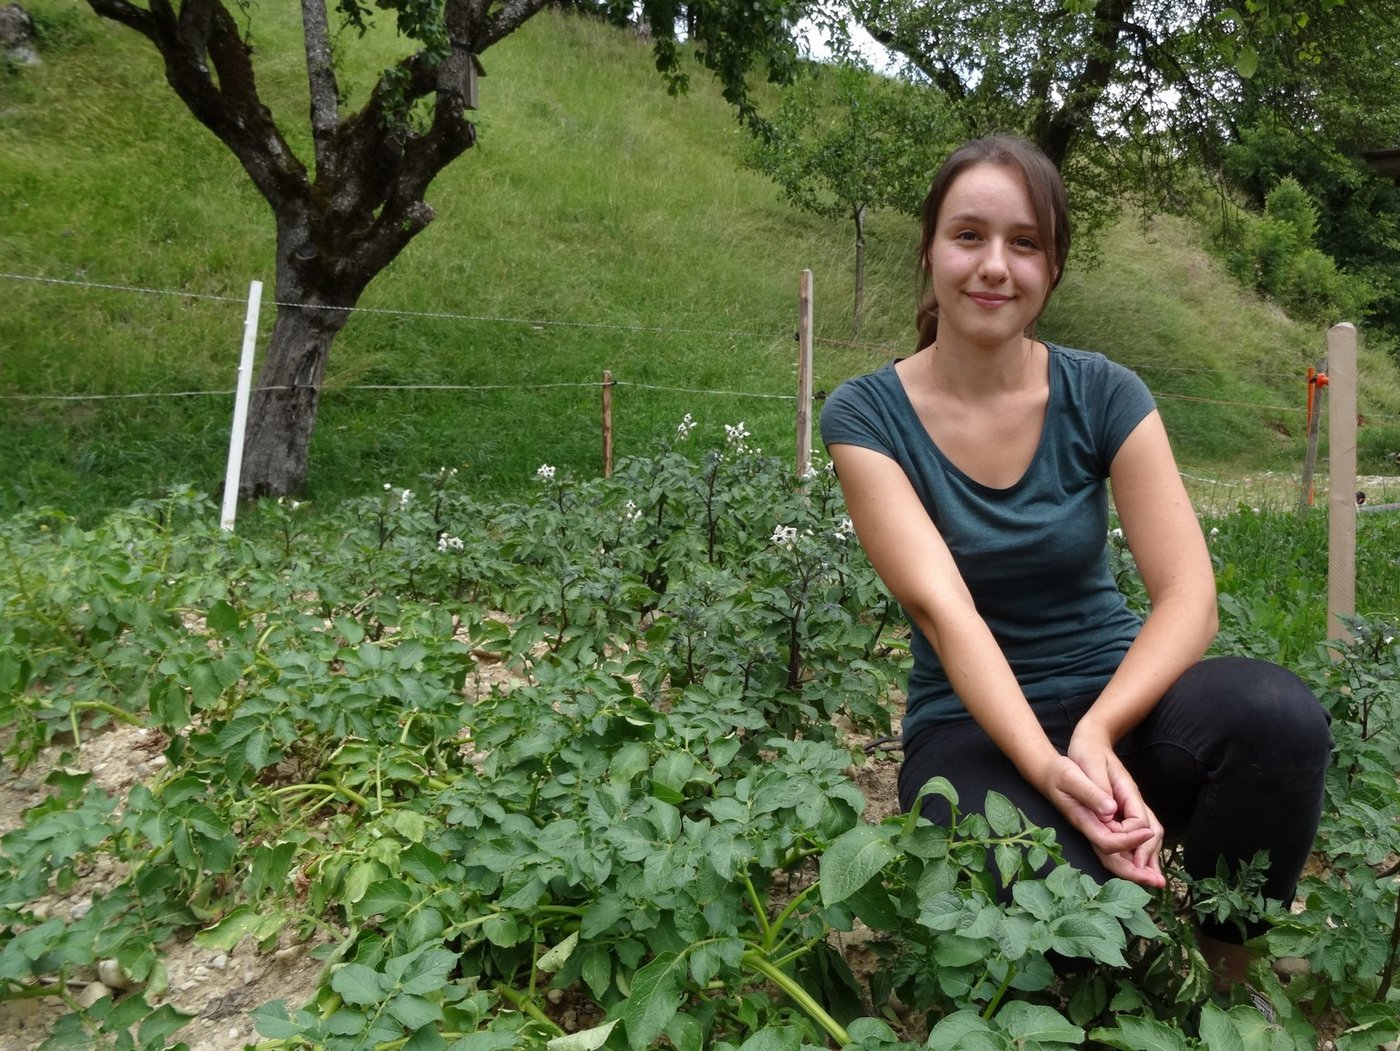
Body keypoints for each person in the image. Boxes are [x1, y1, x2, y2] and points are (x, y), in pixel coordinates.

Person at [818, 135, 1332, 986]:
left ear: (1052, 268)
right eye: (969, 236)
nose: (994, 266)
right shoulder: (866, 416)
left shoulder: (1103, 391)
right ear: (929, 251)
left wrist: (1096, 733)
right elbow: (947, 613)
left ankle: (1229, 974)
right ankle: (1119, 964)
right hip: (973, 729)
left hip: (1117, 697)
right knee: (1074, 921)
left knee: (1276, 717)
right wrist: (1051, 767)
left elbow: (1190, 597)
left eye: (1024, 243)